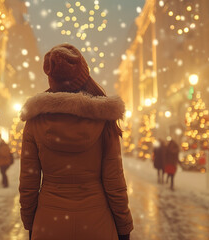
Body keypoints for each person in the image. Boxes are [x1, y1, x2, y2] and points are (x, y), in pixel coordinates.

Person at [19, 43, 133, 240]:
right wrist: (124, 227)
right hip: (97, 222)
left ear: (52, 78)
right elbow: (114, 182)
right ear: (84, 76)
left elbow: (28, 184)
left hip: (49, 223)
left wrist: (31, 224)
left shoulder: (34, 121)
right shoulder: (103, 120)